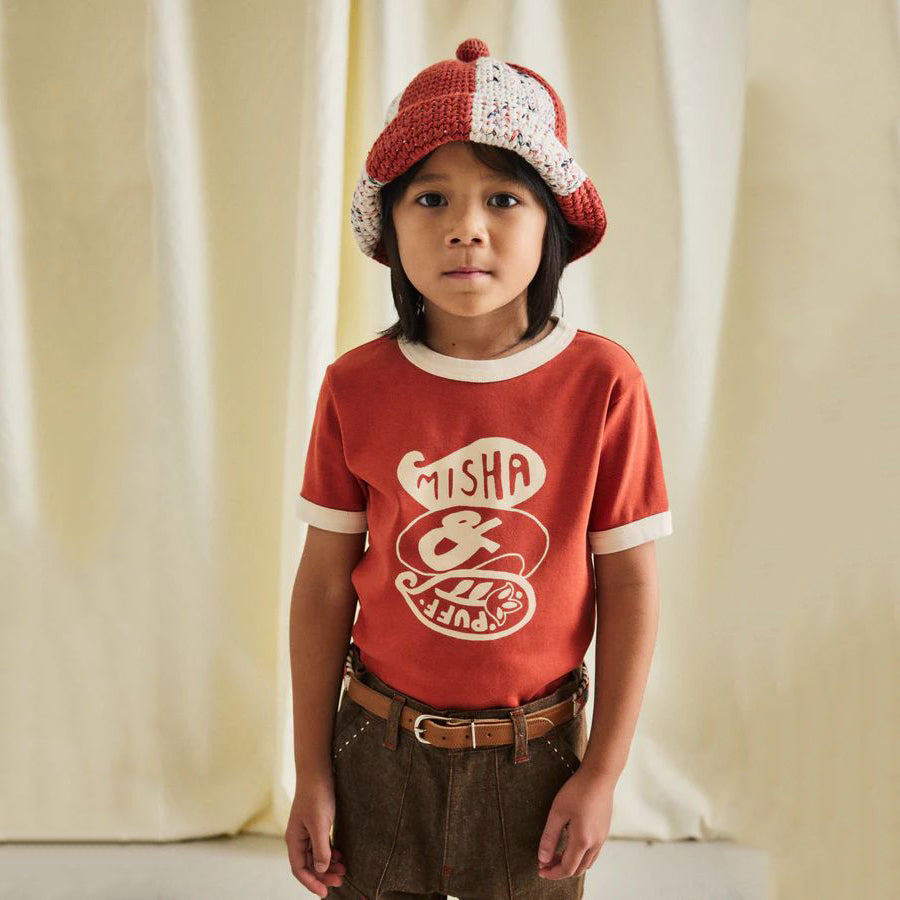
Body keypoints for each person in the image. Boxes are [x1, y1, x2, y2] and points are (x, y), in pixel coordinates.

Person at [285, 37, 673, 900]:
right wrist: (310, 771)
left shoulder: (604, 383)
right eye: (431, 198)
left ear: (552, 225)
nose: (467, 226)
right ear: (390, 226)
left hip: (536, 758)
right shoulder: (356, 386)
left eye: (503, 197)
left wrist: (603, 773)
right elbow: (323, 586)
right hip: (376, 747)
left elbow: (631, 585)